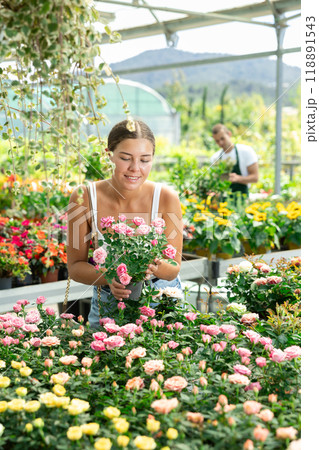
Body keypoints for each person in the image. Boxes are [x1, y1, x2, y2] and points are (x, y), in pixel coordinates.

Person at [67, 119, 183, 327]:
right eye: (125, 158)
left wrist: (152, 265)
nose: (135, 169)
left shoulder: (166, 197)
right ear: (109, 154)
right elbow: (75, 267)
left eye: (145, 160)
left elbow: (174, 268)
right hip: (109, 299)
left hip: (160, 298)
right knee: (105, 357)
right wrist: (108, 276)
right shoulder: (84, 196)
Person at [210, 124, 259, 195]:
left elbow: (255, 177)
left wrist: (238, 178)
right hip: (222, 199)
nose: (220, 143)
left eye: (222, 138)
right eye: (217, 141)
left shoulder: (246, 151)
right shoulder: (215, 158)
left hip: (242, 197)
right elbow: (215, 180)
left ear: (229, 134)